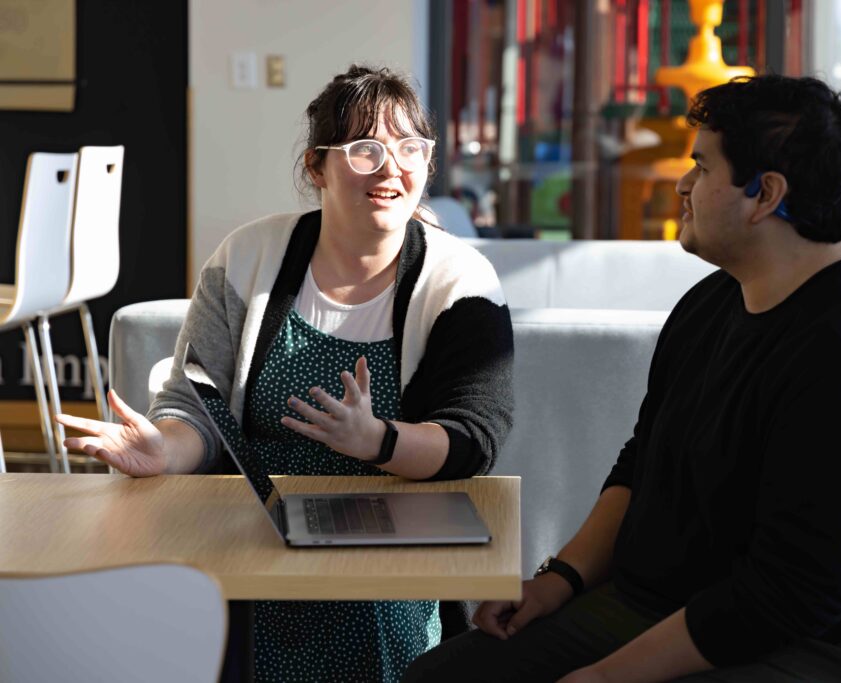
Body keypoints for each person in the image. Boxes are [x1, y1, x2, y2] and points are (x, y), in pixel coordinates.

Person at [404, 75, 841, 683]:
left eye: (702, 168)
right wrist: (560, 581)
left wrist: (605, 677)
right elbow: (642, 460)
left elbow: (787, 598)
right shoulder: (714, 300)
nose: (683, 185)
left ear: (765, 195)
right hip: (683, 604)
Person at [57, 64, 514, 682]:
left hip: (390, 560)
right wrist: (164, 449)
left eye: (409, 148)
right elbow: (198, 407)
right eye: (364, 149)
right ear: (316, 167)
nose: (390, 168)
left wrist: (378, 441)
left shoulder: (460, 282)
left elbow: (472, 440)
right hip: (251, 543)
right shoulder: (248, 258)